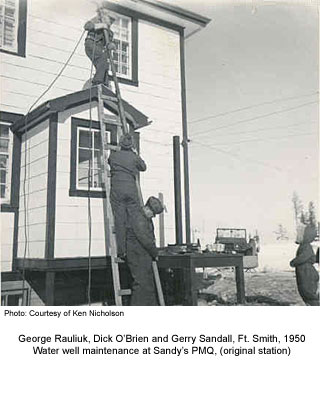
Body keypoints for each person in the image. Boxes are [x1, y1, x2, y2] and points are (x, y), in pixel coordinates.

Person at [108, 134, 147, 258]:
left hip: (117, 190)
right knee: (135, 219)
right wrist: (136, 153)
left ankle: (122, 251)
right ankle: (136, 248)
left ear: (120, 143)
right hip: (131, 190)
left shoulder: (113, 156)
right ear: (131, 145)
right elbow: (143, 167)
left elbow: (109, 161)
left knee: (119, 221)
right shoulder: (134, 157)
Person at [126, 196, 164, 306]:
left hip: (142, 255)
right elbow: (146, 240)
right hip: (137, 255)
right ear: (147, 209)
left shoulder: (144, 218)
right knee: (141, 284)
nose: (154, 216)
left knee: (148, 284)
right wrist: (155, 253)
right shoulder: (139, 219)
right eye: (153, 213)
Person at [84, 6, 117, 86]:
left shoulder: (110, 33)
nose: (111, 21)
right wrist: (101, 25)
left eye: (113, 20)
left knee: (105, 64)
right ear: (105, 16)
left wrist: (111, 45)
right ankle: (97, 82)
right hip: (91, 44)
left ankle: (104, 84)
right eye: (110, 18)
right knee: (102, 57)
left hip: (99, 48)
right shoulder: (97, 20)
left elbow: (108, 44)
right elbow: (87, 26)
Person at [290, 223, 319, 306]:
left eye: (299, 234)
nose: (297, 236)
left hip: (307, 273)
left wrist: (293, 262)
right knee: (305, 292)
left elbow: (303, 257)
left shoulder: (306, 246)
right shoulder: (304, 245)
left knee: (308, 293)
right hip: (304, 272)